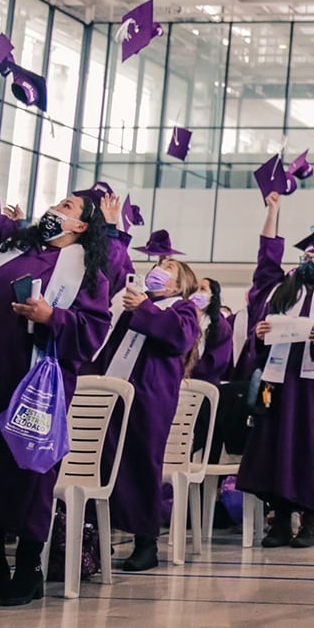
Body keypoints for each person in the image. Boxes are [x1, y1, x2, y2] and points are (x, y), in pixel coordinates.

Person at [0, 126, 113, 608]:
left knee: (28, 472)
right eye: (57, 202)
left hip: (35, 385)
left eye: (67, 206)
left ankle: (28, 567)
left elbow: (94, 330)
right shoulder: (13, 246)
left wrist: (51, 316)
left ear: (82, 226)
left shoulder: (87, 273)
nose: (56, 209)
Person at [238, 196, 314, 549]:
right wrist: (260, 334)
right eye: (306, 256)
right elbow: (266, 260)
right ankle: (279, 520)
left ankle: (309, 520)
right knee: (273, 447)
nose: (310, 260)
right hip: (277, 383)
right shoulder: (280, 292)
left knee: (310, 450)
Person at [86, 219, 203, 573]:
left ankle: (145, 541)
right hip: (116, 390)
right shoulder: (132, 302)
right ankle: (96, 536)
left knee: (142, 463)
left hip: (151, 396)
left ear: (179, 285)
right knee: (105, 460)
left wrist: (145, 309)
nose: (159, 269)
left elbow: (179, 338)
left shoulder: (182, 309)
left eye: (169, 268)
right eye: (158, 265)